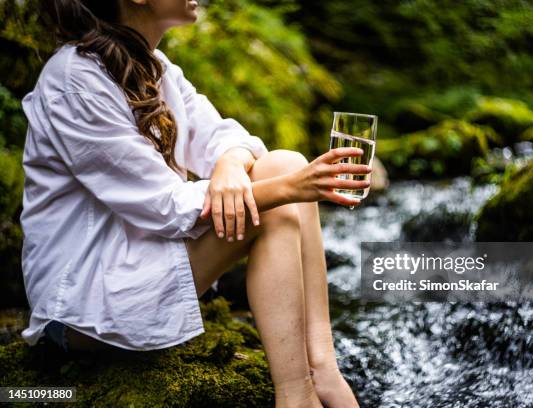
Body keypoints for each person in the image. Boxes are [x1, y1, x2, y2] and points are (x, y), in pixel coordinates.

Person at [21, 1, 371, 407]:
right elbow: (164, 206)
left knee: (284, 163)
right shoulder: (74, 80)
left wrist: (229, 165)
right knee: (279, 191)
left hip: (140, 267)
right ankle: (296, 395)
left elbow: (227, 136)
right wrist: (294, 188)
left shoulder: (156, 67)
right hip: (84, 306)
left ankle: (323, 368)